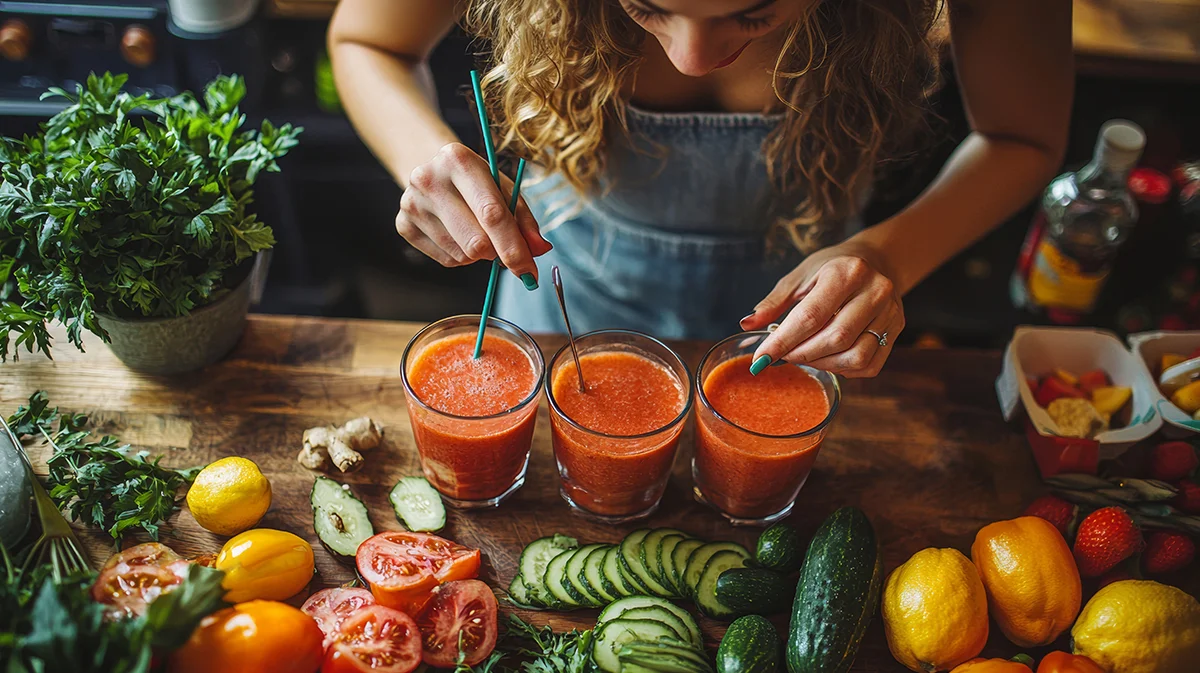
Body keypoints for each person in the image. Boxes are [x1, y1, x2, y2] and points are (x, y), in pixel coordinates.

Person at [328, 0, 1071, 378]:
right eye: (647, 5)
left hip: (804, 336)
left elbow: (1025, 136)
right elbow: (366, 41)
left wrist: (887, 256)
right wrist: (427, 158)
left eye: (753, 13)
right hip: (559, 311)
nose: (691, 58)